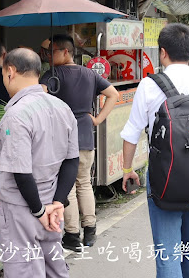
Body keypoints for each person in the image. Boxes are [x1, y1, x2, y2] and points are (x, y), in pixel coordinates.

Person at [120, 23, 189, 278]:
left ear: (162, 53)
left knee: (167, 250)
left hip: (163, 178)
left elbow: (131, 133)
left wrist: (127, 170)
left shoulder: (149, 85)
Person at [0, 48, 79, 278]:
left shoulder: (16, 115)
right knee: (55, 269)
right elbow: (72, 161)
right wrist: (57, 203)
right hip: (52, 206)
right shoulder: (63, 108)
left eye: (3, 75)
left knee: (25, 271)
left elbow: (21, 172)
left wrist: (38, 210)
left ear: (10, 71)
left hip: (23, 209)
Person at [40, 34, 119, 251]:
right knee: (84, 183)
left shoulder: (52, 75)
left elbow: (39, 98)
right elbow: (113, 94)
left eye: (52, 51)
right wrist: (97, 119)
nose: (48, 55)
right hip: (85, 135)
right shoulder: (89, 74)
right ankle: (91, 231)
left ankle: (73, 236)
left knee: (68, 188)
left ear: (66, 52)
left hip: (63, 140)